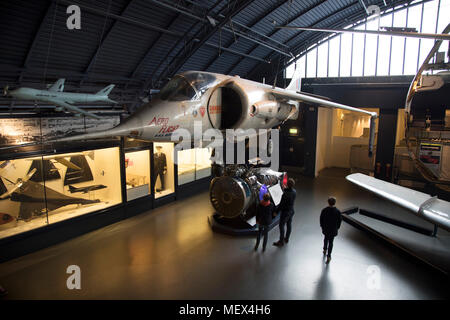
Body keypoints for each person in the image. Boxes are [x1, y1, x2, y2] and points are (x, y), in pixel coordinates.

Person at [273, 178, 296, 247]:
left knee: (281, 225)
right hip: (291, 210)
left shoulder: (285, 194)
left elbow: (281, 204)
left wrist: (276, 212)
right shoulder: (294, 191)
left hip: (285, 212)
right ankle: (286, 238)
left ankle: (281, 241)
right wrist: (285, 189)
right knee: (289, 224)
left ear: (287, 184)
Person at [320, 196, 342, 264]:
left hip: (326, 229)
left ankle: (324, 249)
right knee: (331, 242)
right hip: (333, 230)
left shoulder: (324, 210)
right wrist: (337, 227)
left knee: (325, 239)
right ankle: (329, 256)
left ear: (328, 202)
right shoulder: (338, 211)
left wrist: (322, 226)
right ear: (335, 203)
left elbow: (321, 219)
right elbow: (339, 221)